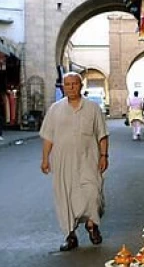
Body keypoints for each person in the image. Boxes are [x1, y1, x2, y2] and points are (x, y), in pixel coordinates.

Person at [40, 72, 109, 252]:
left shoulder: (93, 108)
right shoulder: (55, 109)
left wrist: (104, 156)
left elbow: (102, 135)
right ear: (63, 87)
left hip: (89, 159)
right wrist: (45, 159)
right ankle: (70, 235)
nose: (71, 87)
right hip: (63, 161)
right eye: (67, 84)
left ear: (81, 86)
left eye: (74, 84)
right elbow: (48, 137)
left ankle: (92, 225)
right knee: (66, 197)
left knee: (93, 192)